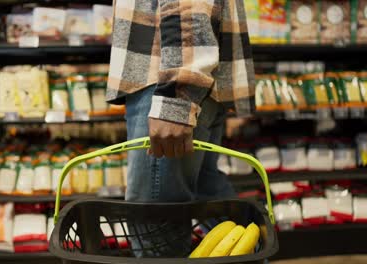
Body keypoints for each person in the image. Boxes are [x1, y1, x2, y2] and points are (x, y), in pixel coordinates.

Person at [106, 0, 255, 256]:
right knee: (206, 194)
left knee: (155, 226)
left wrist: (177, 97)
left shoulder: (174, 91)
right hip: (186, 78)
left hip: (164, 78)